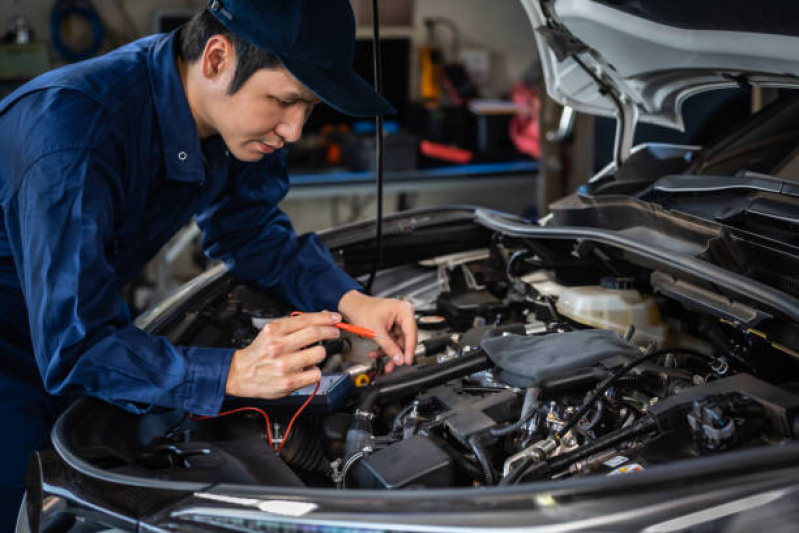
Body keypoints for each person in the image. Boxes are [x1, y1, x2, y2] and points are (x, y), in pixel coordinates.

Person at [0, 0, 417, 526]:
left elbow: (251, 233)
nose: (294, 129)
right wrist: (233, 371)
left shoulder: (239, 122)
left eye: (307, 107)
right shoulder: (71, 133)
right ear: (217, 59)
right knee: (30, 504)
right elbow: (76, 346)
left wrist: (353, 299)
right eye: (284, 100)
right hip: (12, 354)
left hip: (70, 326)